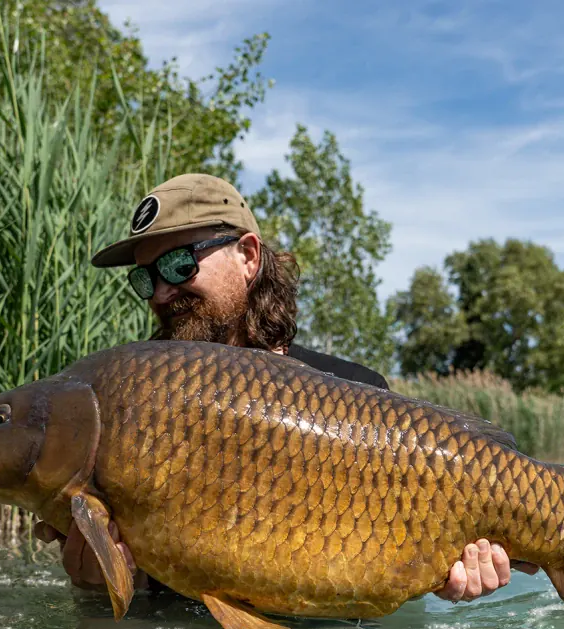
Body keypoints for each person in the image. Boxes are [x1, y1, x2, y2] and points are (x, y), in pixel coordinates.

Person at [36, 173, 538, 604]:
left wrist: (445, 577)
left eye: (178, 265)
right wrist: (105, 585)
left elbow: (388, 585)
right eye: (145, 280)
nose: (162, 292)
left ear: (248, 257)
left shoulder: (358, 389)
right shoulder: (126, 411)